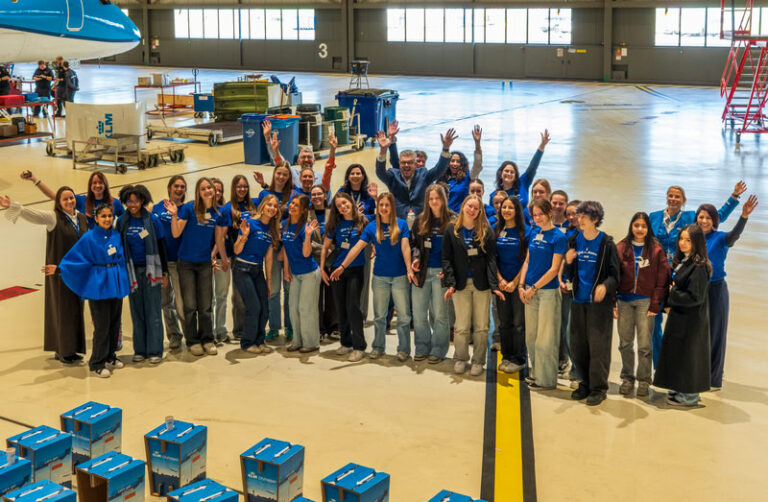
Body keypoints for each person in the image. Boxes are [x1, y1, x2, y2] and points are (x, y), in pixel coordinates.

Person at [648, 181, 744, 367]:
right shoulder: (654, 217)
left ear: (683, 201)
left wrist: (734, 197)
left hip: (681, 276)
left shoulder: (691, 218)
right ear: (666, 197)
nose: (673, 199)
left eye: (677, 196)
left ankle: (685, 365)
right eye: (671, 195)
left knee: (682, 322)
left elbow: (718, 217)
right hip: (659, 277)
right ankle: (658, 365)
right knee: (654, 321)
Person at [1, 187, 88, 364]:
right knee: (62, 310)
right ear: (59, 202)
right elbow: (33, 215)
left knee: (76, 310)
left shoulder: (81, 218)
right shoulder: (53, 217)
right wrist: (15, 206)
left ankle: (72, 348)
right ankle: (63, 350)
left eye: (71, 198)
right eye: (65, 200)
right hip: (58, 272)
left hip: (77, 272)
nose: (70, 202)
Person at [331, 192, 414, 361]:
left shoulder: (402, 224)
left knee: (404, 316)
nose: (383, 208)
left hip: (399, 277)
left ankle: (404, 349)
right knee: (380, 315)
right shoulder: (371, 227)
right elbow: (357, 248)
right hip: (380, 277)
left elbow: (405, 248)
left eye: (387, 205)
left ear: (392, 207)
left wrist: (409, 269)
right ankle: (378, 347)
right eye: (381, 205)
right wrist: (342, 266)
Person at [58, 203, 130, 378]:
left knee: (114, 323)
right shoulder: (89, 238)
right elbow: (75, 259)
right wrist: (61, 268)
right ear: (96, 219)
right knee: (102, 325)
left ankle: (110, 355)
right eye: (103, 216)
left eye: (109, 216)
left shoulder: (116, 235)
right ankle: (97, 362)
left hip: (115, 283)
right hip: (99, 285)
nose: (107, 219)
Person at [695, 194, 758, 389]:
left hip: (716, 290)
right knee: (698, 333)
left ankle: (714, 379)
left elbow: (734, 235)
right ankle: (697, 373)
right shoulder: (692, 238)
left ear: (714, 221)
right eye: (701, 217)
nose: (704, 221)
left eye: (708, 217)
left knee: (716, 334)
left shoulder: (721, 238)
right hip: (696, 289)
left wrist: (744, 216)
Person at [563, 201, 620, 406]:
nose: (579, 219)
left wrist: (605, 286)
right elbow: (568, 275)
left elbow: (615, 275)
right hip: (578, 301)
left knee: (598, 347)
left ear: (594, 219)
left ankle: (598, 388)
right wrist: (568, 263)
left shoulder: (606, 243)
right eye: (578, 216)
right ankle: (585, 383)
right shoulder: (574, 240)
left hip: (599, 306)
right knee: (578, 345)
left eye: (583, 216)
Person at [443, 194, 503, 376]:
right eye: (469, 206)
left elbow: (492, 259)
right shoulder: (451, 229)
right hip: (460, 284)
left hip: (481, 285)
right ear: (463, 206)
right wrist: (450, 283)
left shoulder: (486, 230)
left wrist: (494, 285)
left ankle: (478, 361)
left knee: (481, 326)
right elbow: (446, 258)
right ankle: (460, 358)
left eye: (476, 208)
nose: (472, 210)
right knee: (461, 326)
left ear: (480, 211)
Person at [653, 225, 712, 407]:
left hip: (691, 320)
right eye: (681, 239)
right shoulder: (686, 261)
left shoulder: (699, 266)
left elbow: (695, 296)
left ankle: (689, 396)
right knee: (680, 354)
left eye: (688, 240)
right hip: (682, 317)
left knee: (689, 355)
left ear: (697, 242)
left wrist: (673, 294)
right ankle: (680, 388)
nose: (683, 243)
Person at [615, 212, 670, 397]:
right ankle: (627, 378)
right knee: (625, 343)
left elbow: (662, 278)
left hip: (645, 303)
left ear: (648, 228)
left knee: (645, 345)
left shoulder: (656, 250)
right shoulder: (621, 247)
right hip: (624, 301)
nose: (639, 229)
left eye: (643, 226)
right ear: (631, 226)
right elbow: (613, 275)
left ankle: (644, 380)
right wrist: (613, 301)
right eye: (636, 225)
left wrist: (656, 304)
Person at [165, 177, 220, 357]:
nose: (207, 191)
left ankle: (207, 339)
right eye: (203, 188)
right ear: (198, 191)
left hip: (204, 264)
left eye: (209, 188)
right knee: (189, 305)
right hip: (186, 264)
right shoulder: (189, 208)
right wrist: (174, 215)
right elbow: (175, 232)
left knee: (205, 305)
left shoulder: (216, 212)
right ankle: (193, 340)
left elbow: (218, 239)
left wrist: (212, 256)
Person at [518, 198, 567, 390]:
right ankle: (536, 373)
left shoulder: (558, 237)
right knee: (531, 337)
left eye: (540, 214)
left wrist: (534, 288)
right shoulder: (534, 233)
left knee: (545, 338)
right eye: (534, 215)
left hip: (546, 293)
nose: (537, 218)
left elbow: (554, 269)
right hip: (529, 290)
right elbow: (528, 261)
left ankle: (546, 380)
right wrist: (521, 285)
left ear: (549, 213)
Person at [117, 185, 168, 365]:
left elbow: (162, 247)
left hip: (151, 271)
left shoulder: (152, 221)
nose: (133, 204)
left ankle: (155, 350)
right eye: (129, 201)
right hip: (132, 272)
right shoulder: (122, 222)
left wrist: (164, 273)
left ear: (142, 201)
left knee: (153, 310)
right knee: (136, 310)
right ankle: (140, 350)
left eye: (136, 200)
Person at [321, 193, 368, 361]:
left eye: (345, 203)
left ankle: (359, 346)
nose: (343, 207)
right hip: (336, 271)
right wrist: (322, 269)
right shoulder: (335, 224)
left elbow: (373, 236)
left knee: (353, 307)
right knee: (340, 307)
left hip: (355, 269)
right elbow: (326, 246)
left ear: (351, 202)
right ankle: (346, 342)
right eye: (339, 205)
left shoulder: (363, 221)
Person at [410, 185, 454, 363]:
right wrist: (415, 257)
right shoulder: (421, 220)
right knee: (419, 314)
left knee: (440, 315)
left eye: (437, 198)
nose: (434, 202)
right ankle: (421, 347)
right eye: (431, 199)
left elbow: (457, 250)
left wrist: (449, 270)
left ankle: (438, 349)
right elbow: (414, 244)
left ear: (443, 199)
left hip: (441, 275)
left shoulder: (452, 220)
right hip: (422, 273)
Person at [375, 128, 456, 221]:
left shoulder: (423, 174)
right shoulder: (393, 175)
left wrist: (445, 148)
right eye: (403, 163)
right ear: (399, 164)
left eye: (409, 163)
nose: (406, 165)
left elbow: (439, 169)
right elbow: (380, 172)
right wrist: (383, 150)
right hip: (399, 222)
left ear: (415, 164)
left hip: (421, 222)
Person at [232, 195, 280, 354]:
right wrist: (244, 237)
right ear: (263, 206)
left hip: (257, 271)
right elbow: (236, 250)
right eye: (269, 205)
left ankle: (259, 341)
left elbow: (268, 258)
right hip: (242, 269)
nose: (272, 208)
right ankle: (247, 342)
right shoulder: (250, 223)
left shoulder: (272, 230)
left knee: (265, 308)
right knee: (254, 306)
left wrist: (268, 282)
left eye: (275, 206)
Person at [214, 175, 254, 344]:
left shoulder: (253, 205)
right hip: (229, 256)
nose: (242, 189)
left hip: (246, 257)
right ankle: (219, 330)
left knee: (240, 296)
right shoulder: (227, 208)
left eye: (245, 186)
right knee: (221, 294)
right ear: (233, 188)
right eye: (239, 186)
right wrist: (219, 256)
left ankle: (240, 329)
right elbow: (220, 237)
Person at [494, 196, 530, 374]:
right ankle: (507, 355)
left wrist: (515, 282)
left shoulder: (526, 232)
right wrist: (500, 280)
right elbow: (492, 259)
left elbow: (526, 261)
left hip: (518, 284)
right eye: (504, 207)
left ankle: (519, 358)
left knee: (518, 323)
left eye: (511, 207)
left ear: (517, 211)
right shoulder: (497, 230)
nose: (506, 210)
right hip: (501, 284)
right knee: (504, 322)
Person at [282, 195, 321, 353]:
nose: (292, 206)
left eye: (296, 205)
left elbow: (306, 254)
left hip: (309, 273)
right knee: (293, 308)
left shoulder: (305, 227)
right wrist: (286, 270)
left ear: (303, 209)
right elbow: (286, 249)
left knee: (306, 308)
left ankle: (311, 342)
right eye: (291, 203)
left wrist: (307, 236)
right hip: (295, 273)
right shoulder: (285, 224)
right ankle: (297, 340)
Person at [153, 175, 186, 350]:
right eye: (176, 186)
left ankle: (190, 333)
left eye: (182, 187)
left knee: (181, 301)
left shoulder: (187, 209)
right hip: (162, 263)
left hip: (180, 261)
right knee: (166, 301)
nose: (179, 189)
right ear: (169, 187)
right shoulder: (158, 208)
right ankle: (174, 335)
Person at [30, 171, 124, 230]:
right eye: (94, 183)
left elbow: (126, 220)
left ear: (105, 185)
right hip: (89, 243)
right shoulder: (82, 200)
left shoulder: (115, 202)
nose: (97, 185)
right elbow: (54, 196)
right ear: (90, 186)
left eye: (100, 182)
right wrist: (35, 180)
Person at [490, 130, 550, 208]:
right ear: (500, 174)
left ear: (516, 175)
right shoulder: (494, 196)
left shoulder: (523, 182)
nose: (509, 174)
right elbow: (492, 216)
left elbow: (533, 166)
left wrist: (542, 145)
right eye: (506, 171)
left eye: (512, 172)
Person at [308, 187, 338, 340]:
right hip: (313, 261)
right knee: (316, 296)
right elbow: (306, 239)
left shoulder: (332, 213)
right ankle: (318, 328)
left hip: (332, 261)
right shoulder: (305, 215)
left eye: (319, 194)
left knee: (332, 294)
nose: (317, 197)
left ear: (325, 196)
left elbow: (337, 235)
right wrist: (325, 249)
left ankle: (333, 326)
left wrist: (331, 249)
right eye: (313, 194)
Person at [440, 125, 483, 213]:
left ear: (462, 164)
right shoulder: (442, 179)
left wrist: (477, 143)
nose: (455, 164)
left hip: (460, 217)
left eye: (458, 161)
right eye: (452, 161)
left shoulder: (467, 178)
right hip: (443, 218)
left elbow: (477, 165)